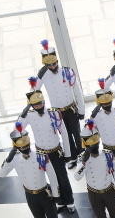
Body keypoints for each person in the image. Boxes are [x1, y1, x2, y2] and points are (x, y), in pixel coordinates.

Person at [0, 126, 69, 218]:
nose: (25, 149)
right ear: (16, 146)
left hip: (44, 192)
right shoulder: (14, 159)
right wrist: (7, 160)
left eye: (26, 146)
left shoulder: (40, 156)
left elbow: (52, 176)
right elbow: (2, 174)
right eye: (22, 147)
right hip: (30, 194)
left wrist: (56, 194)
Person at [17, 81, 75, 213]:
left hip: (55, 151)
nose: (39, 106)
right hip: (41, 153)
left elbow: (64, 134)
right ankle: (59, 201)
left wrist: (67, 154)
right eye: (36, 104)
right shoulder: (30, 116)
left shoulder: (54, 113)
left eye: (41, 103)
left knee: (62, 177)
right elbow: (18, 129)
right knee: (51, 178)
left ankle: (69, 201)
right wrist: (24, 112)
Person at [36, 39, 85, 168]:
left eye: (54, 64)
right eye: (49, 65)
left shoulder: (67, 71)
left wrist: (81, 109)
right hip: (57, 111)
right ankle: (71, 157)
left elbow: (77, 91)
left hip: (71, 109)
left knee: (76, 133)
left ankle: (81, 155)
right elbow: (34, 92)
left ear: (57, 61)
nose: (53, 67)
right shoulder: (44, 75)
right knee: (65, 135)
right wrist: (38, 78)